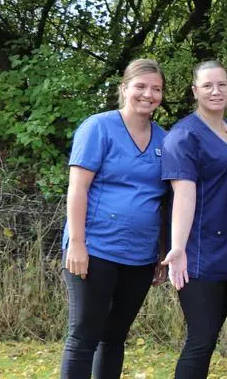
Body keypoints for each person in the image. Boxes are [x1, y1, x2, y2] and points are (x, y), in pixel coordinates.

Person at [60, 58, 169, 379]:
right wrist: (77, 244)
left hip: (140, 256)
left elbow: (165, 201)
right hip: (95, 249)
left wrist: (161, 251)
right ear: (124, 88)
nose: (148, 94)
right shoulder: (98, 127)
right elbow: (77, 188)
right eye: (141, 86)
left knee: (115, 337)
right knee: (84, 335)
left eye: (156, 89)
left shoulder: (165, 140)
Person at [160, 60, 227, 378]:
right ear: (195, 91)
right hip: (199, 254)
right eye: (207, 85)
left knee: (209, 338)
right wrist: (177, 248)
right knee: (201, 339)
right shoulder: (184, 136)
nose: (216, 91)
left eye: (222, 84)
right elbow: (183, 195)